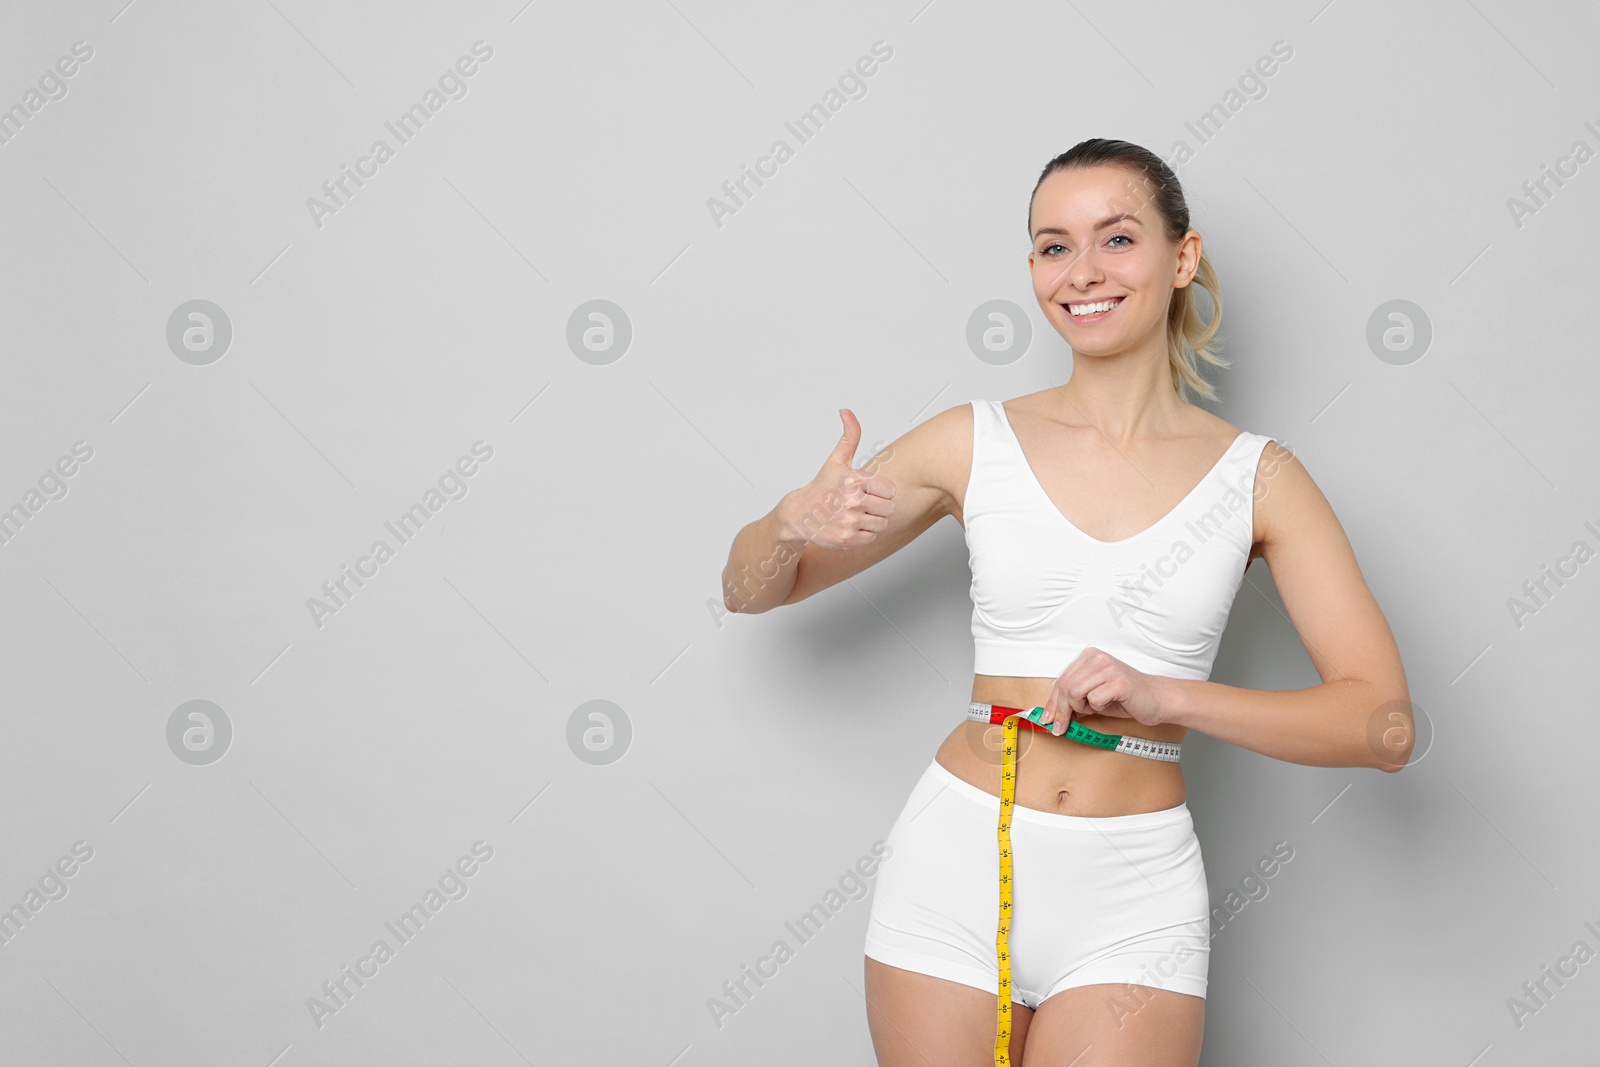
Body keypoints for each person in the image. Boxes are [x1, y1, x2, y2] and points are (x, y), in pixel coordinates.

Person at [718, 138, 1411, 1067]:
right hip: (953, 868)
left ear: (1183, 258)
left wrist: (1173, 699)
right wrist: (789, 524)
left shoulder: (1261, 479)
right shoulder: (973, 441)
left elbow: (1384, 727)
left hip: (1132, 900)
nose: (1082, 272)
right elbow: (748, 589)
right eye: (1053, 246)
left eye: (1116, 238)